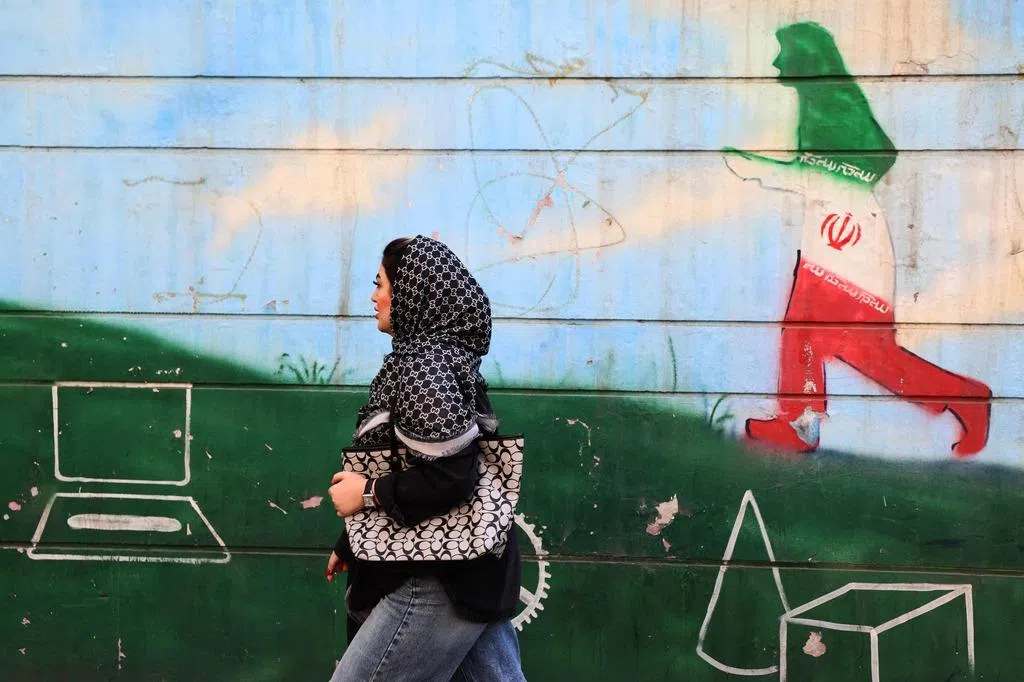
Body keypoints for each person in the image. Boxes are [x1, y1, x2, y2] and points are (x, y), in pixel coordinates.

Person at [723, 22, 991, 455]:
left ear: (807, 59)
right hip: (837, 240)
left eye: (784, 53)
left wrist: (756, 167)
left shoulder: (832, 107)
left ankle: (801, 426)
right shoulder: (821, 103)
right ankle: (965, 398)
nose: (776, 61)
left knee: (817, 337)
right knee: (860, 352)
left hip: (846, 246)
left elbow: (830, 176)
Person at [325, 235, 526, 681]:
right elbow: (411, 463)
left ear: (412, 294)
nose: (374, 297)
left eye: (380, 284)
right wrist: (353, 540)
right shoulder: (439, 360)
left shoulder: (424, 368)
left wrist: (367, 494)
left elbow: (451, 475)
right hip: (468, 566)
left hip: (436, 576)